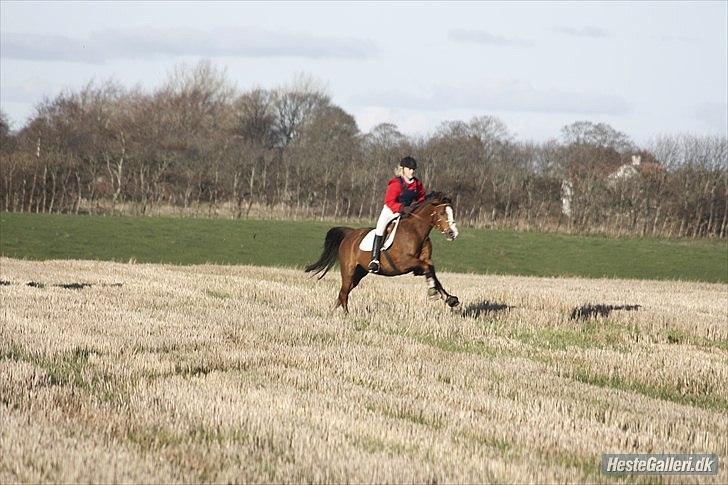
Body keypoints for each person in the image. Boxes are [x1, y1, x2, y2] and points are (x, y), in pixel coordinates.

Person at [368, 156, 425, 273]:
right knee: (380, 228)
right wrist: (402, 208)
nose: (412, 171)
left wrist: (416, 207)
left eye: (413, 169)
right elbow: (389, 201)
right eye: (409, 169)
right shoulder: (396, 183)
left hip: (407, 212)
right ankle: (374, 260)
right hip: (391, 211)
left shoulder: (417, 184)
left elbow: (421, 198)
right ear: (403, 169)